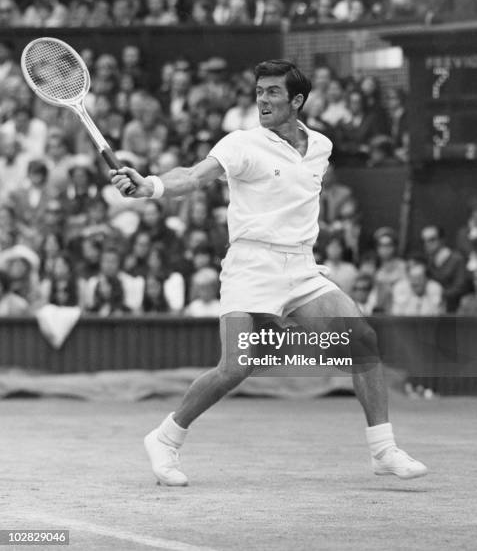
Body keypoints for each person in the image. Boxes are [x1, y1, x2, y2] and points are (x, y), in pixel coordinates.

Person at [111, 59, 427, 486]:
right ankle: (165, 438)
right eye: (259, 91)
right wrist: (151, 185)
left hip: (300, 266)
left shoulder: (321, 146)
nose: (263, 99)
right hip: (251, 266)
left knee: (363, 341)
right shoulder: (240, 143)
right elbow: (192, 176)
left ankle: (383, 450)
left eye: (273, 91)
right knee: (237, 366)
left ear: (296, 100)